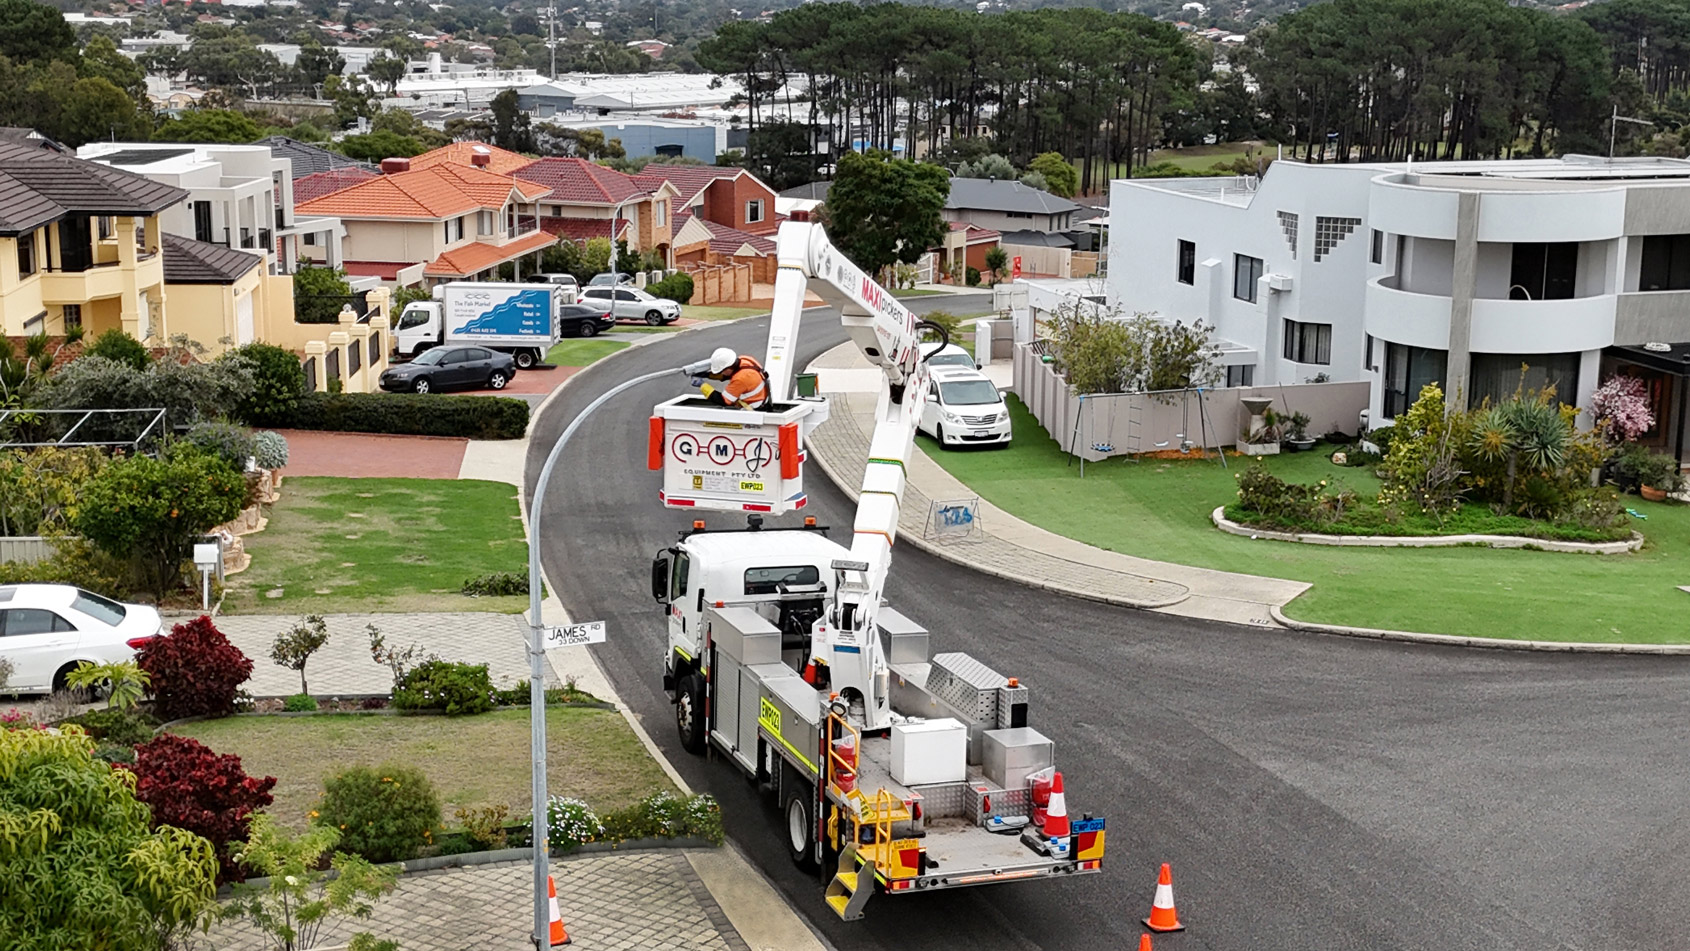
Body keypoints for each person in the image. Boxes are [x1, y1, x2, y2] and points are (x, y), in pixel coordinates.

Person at [695, 347, 769, 409]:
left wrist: (702, 385)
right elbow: (731, 373)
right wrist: (708, 375)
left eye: (721, 371)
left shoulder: (741, 379)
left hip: (753, 409)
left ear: (728, 368)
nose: (721, 374)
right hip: (762, 400)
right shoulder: (745, 359)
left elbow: (724, 400)